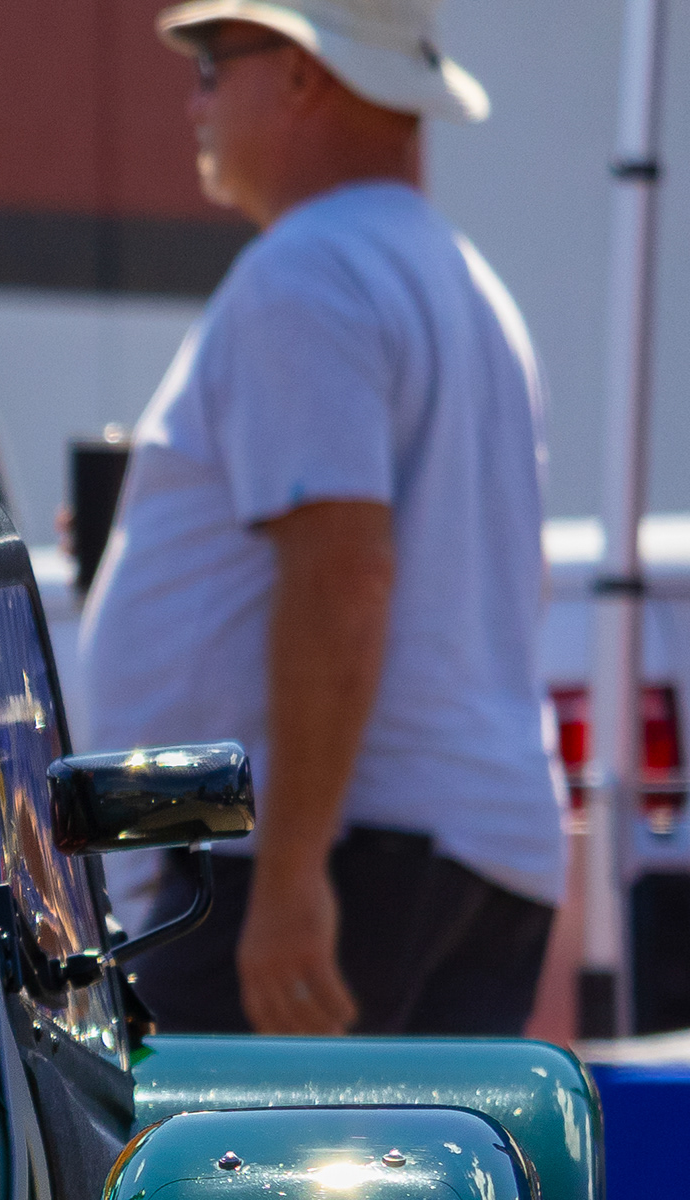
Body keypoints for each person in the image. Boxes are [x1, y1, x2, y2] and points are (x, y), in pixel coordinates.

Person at [76, 0, 561, 1037]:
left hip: (333, 856)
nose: (196, 103)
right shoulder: (472, 288)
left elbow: (345, 572)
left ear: (302, 75)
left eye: (214, 65)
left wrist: (292, 876)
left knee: (175, 1143)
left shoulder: (308, 271)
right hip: (475, 851)